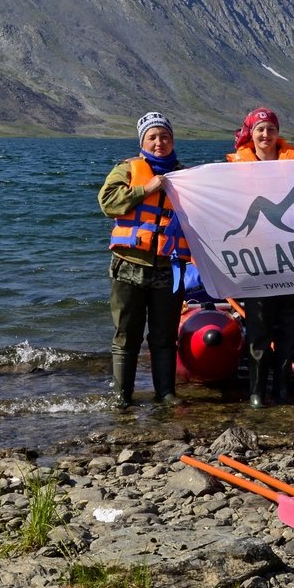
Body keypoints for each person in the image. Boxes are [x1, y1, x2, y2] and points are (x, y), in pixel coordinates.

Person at [226, 107, 294, 408]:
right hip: (258, 262)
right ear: (250, 134)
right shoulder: (231, 169)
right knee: (258, 329)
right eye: (259, 130)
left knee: (291, 328)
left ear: (278, 133)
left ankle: (282, 388)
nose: (265, 135)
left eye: (270, 129)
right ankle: (256, 390)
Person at [98, 111, 190, 409]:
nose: (159, 142)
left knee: (164, 337)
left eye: (164, 136)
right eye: (152, 137)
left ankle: (165, 394)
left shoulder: (184, 175)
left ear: (172, 140)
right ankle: (122, 397)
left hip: (168, 268)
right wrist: (146, 188)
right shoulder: (126, 169)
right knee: (127, 335)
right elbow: (108, 202)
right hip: (128, 265)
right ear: (143, 141)